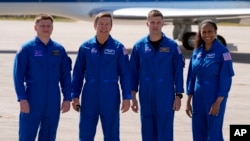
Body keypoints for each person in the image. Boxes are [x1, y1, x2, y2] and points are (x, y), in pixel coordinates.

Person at [71, 12, 131, 141]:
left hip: (110, 95)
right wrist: (74, 95)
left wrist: (127, 97)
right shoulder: (85, 47)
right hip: (89, 95)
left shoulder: (119, 48)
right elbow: (78, 73)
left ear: (111, 26)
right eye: (100, 24)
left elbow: (125, 74)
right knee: (86, 132)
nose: (103, 27)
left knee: (112, 133)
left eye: (107, 24)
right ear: (95, 25)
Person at [13, 14, 72, 141]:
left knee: (49, 135)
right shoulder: (26, 49)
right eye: (42, 26)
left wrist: (67, 98)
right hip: (32, 97)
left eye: (48, 26)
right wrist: (22, 98)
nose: (46, 28)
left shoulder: (59, 50)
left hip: (53, 99)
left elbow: (66, 76)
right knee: (26, 135)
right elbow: (17, 75)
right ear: (35, 28)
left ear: (52, 28)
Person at [129, 9, 185, 141]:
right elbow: (133, 73)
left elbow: (178, 72)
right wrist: (133, 96)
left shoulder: (172, 46)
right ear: (147, 24)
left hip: (165, 95)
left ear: (162, 24)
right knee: (147, 127)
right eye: (152, 22)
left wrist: (179, 95)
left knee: (165, 127)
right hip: (146, 94)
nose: (155, 25)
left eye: (158, 22)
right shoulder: (139, 46)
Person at [185, 19, 234, 141]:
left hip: (214, 96)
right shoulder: (197, 52)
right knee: (198, 130)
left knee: (213, 132)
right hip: (198, 96)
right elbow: (191, 76)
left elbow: (226, 78)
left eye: (210, 31)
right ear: (200, 34)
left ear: (215, 32)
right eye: (204, 32)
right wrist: (188, 100)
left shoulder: (223, 52)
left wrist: (218, 102)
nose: (207, 35)